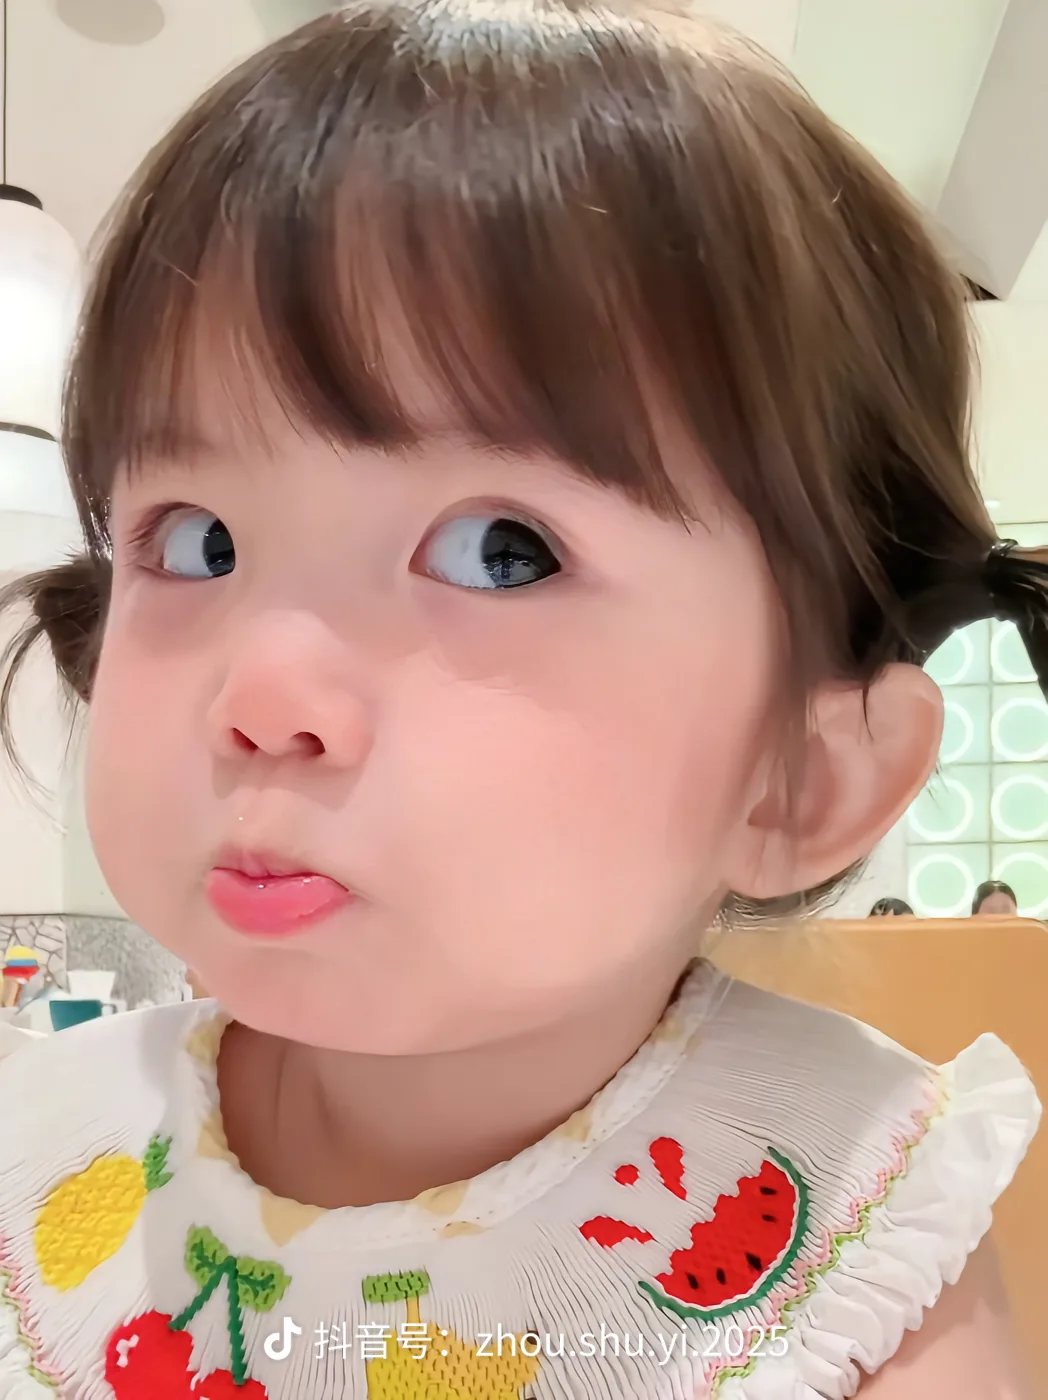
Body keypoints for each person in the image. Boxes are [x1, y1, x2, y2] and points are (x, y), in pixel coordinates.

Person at [0, 4, 1042, 1397]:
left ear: (804, 776)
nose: (264, 694)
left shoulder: (853, 1226)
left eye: (502, 552)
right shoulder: (40, 1147)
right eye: (197, 541)